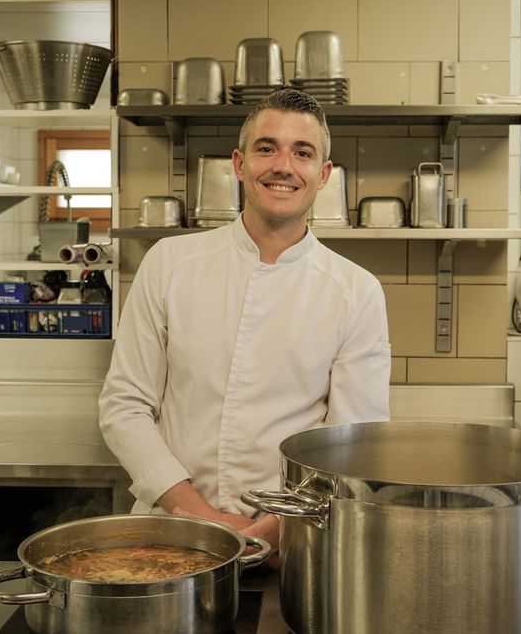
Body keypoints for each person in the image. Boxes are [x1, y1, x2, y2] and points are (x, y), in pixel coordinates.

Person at [98, 88, 391, 552]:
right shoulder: (170, 263)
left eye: (303, 153)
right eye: (266, 148)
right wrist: (202, 518)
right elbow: (124, 406)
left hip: (296, 544)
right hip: (174, 535)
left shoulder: (355, 291)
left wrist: (274, 530)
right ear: (239, 163)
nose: (283, 166)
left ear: (323, 175)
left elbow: (352, 442)